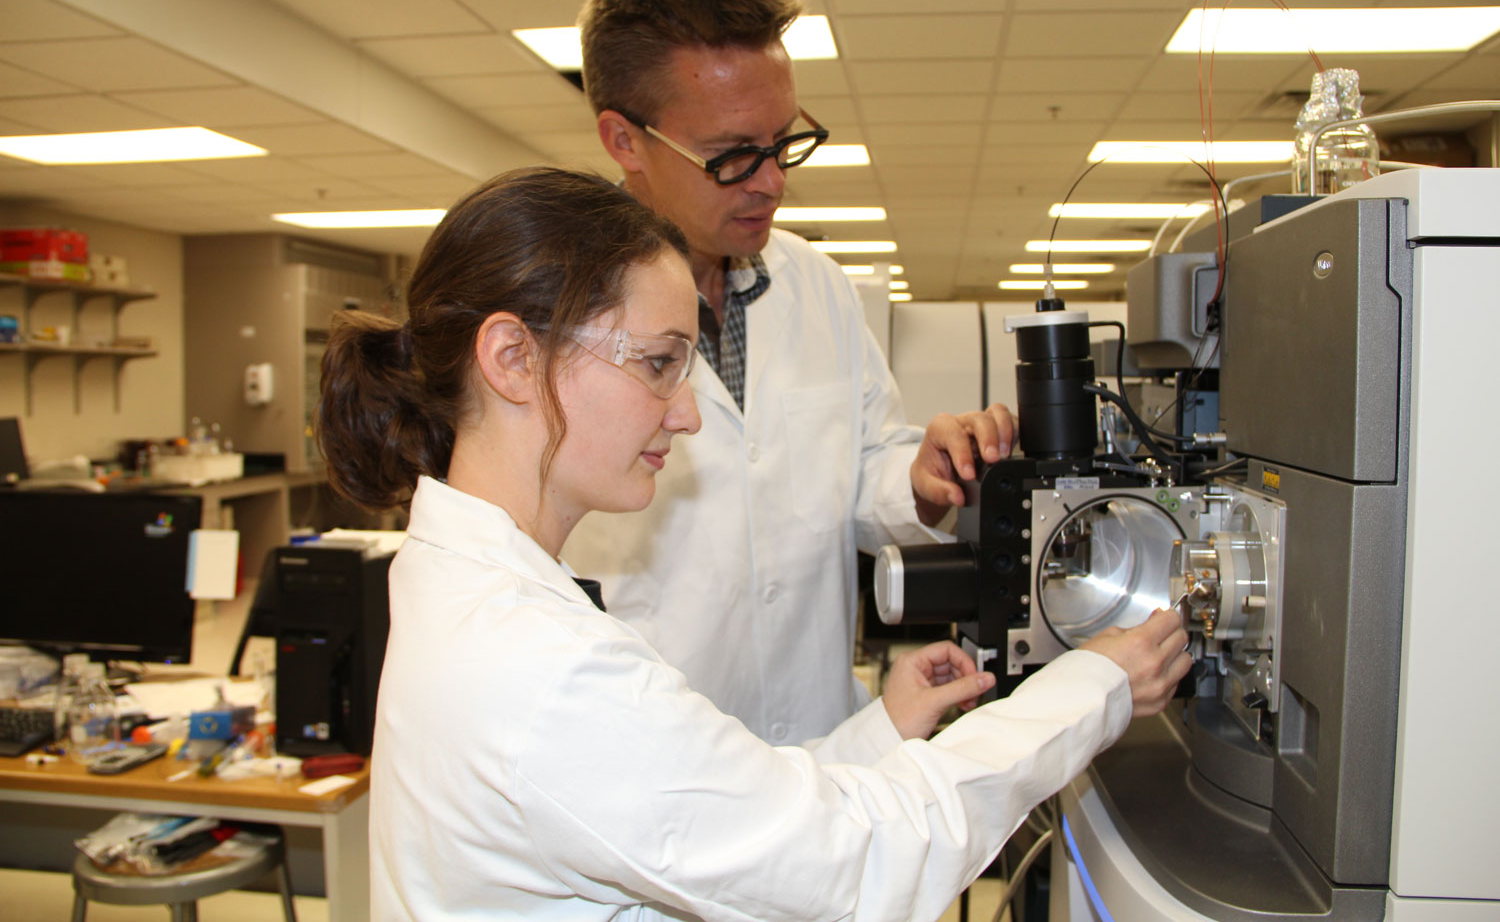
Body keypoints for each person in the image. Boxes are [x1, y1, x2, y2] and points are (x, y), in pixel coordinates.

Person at [318, 166, 1192, 921]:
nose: (689, 413)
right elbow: (855, 866)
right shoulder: (540, 669)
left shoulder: (468, 586)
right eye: (659, 363)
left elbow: (707, 816)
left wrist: (879, 733)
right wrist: (1093, 688)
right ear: (513, 357)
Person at [563, 0, 1015, 751]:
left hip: (822, 742)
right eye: (734, 155)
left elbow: (862, 470)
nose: (772, 182)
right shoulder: (556, 318)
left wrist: (919, 478)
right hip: (652, 763)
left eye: (783, 142)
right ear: (624, 140)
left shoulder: (819, 288)